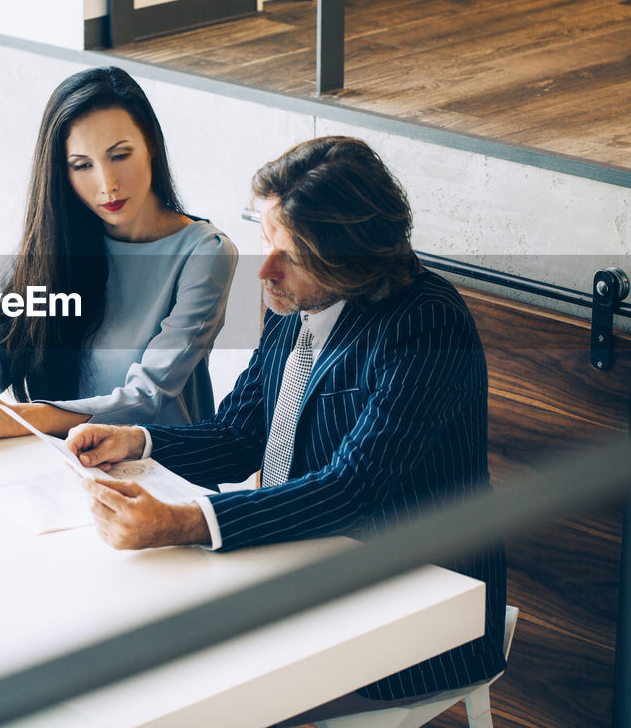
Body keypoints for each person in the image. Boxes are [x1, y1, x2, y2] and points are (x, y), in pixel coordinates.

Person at [65, 135, 507, 714]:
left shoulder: (426, 325)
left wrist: (185, 523)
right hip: (298, 564)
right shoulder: (295, 299)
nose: (265, 269)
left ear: (349, 260)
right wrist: (138, 442)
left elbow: (356, 488)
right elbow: (238, 435)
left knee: (193, 697)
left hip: (413, 611)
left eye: (291, 255)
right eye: (267, 239)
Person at [0, 66, 238, 439]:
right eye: (82, 165)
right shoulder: (56, 240)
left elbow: (146, 397)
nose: (107, 184)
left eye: (120, 155)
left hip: (157, 473)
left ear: (151, 145)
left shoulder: (205, 254)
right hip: (55, 462)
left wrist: (16, 418)